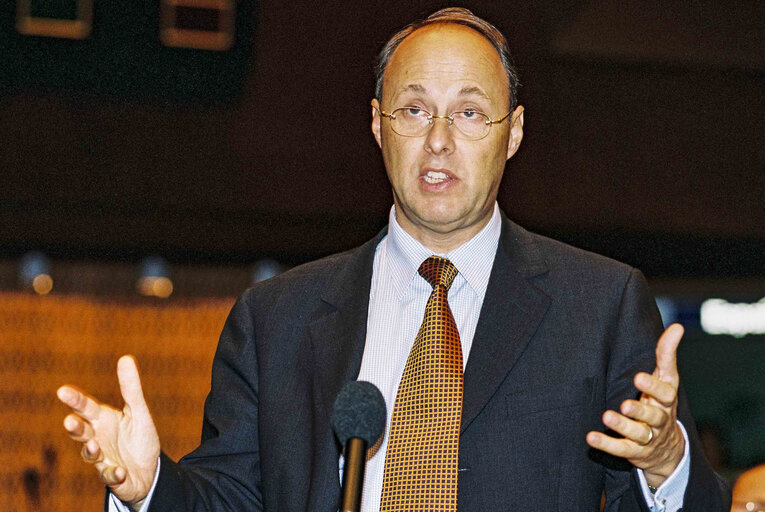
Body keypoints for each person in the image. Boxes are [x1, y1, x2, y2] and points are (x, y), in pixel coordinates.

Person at [57, 7, 731, 512]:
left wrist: (666, 460)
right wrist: (148, 489)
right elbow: (229, 496)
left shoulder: (599, 305)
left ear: (514, 132)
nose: (438, 141)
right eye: (414, 110)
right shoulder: (277, 319)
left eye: (469, 114)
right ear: (378, 124)